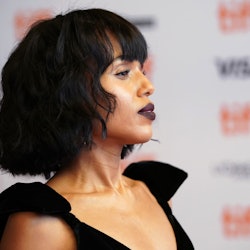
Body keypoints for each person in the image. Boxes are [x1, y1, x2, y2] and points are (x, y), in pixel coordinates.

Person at [0, 8, 194, 250]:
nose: (148, 86)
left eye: (142, 71)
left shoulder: (155, 193)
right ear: (68, 94)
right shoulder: (41, 225)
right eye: (123, 73)